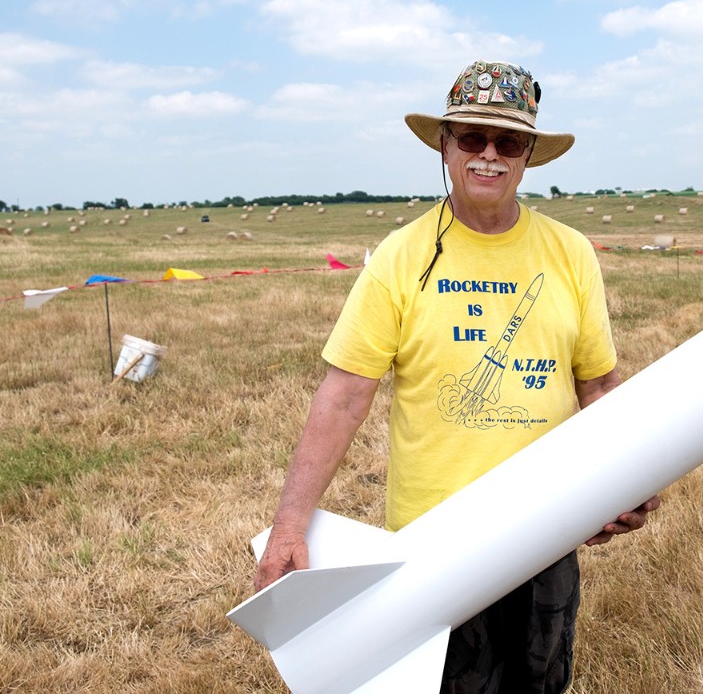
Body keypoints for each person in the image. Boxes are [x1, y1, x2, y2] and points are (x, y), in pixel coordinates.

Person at [253, 59, 661, 694]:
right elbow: (343, 395)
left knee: (540, 682)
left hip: (548, 530)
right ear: (444, 145)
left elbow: (598, 387)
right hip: (432, 544)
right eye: (472, 137)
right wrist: (289, 526)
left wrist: (632, 479)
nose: (489, 155)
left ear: (529, 155)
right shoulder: (400, 256)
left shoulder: (571, 252)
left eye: (509, 141)